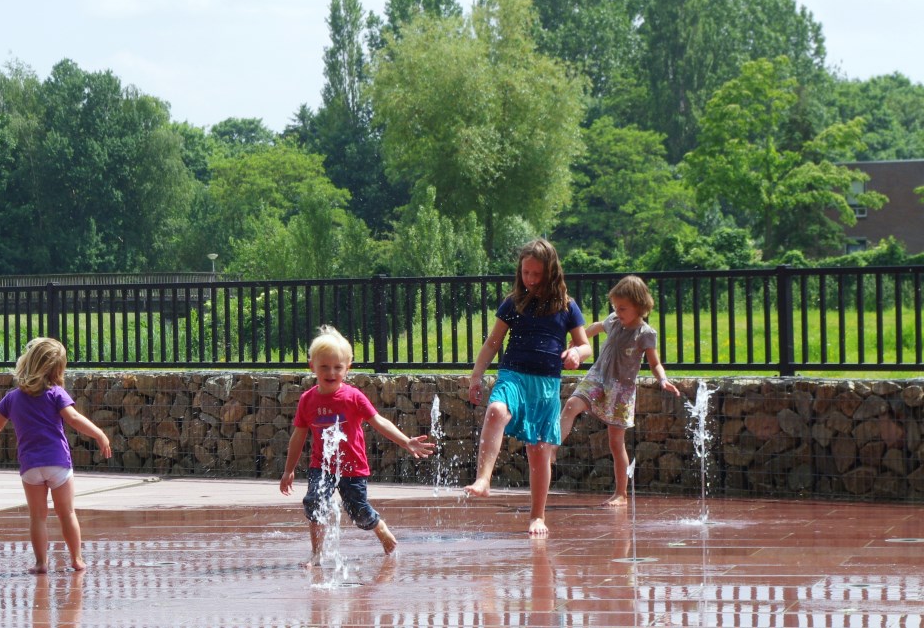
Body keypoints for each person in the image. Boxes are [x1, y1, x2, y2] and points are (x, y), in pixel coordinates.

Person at [464, 238, 591, 538]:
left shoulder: (567, 306)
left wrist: (576, 353)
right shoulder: (513, 302)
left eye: (537, 274)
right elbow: (493, 342)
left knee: (540, 450)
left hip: (546, 384)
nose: (531, 280)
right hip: (513, 375)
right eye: (526, 273)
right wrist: (475, 377)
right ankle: (483, 479)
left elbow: (585, 345)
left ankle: (537, 516)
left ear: (551, 272)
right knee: (495, 411)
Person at [280, 325, 435, 564]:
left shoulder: (353, 397)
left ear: (347, 369)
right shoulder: (307, 400)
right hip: (321, 466)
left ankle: (379, 527)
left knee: (358, 513)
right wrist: (289, 470)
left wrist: (406, 442)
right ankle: (317, 553)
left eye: (337, 367)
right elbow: (298, 436)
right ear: (312, 366)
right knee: (314, 503)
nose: (331, 372)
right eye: (324, 367)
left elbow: (379, 421)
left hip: (353, 467)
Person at [0, 337, 112, 573]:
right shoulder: (56, 394)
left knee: (37, 517)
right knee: (67, 513)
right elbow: (74, 419)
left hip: (31, 466)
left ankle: (41, 563)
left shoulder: (13, 398)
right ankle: (77, 559)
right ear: (57, 369)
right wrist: (99, 434)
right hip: (57, 463)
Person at [559, 274, 680, 506]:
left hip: (621, 390)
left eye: (623, 308)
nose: (618, 311)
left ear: (639, 307)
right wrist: (577, 340)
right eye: (615, 306)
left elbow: (654, 363)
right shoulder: (614, 320)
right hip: (598, 376)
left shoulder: (645, 334)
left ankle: (621, 494)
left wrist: (662, 380)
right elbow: (594, 327)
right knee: (572, 404)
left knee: (616, 442)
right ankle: (553, 448)